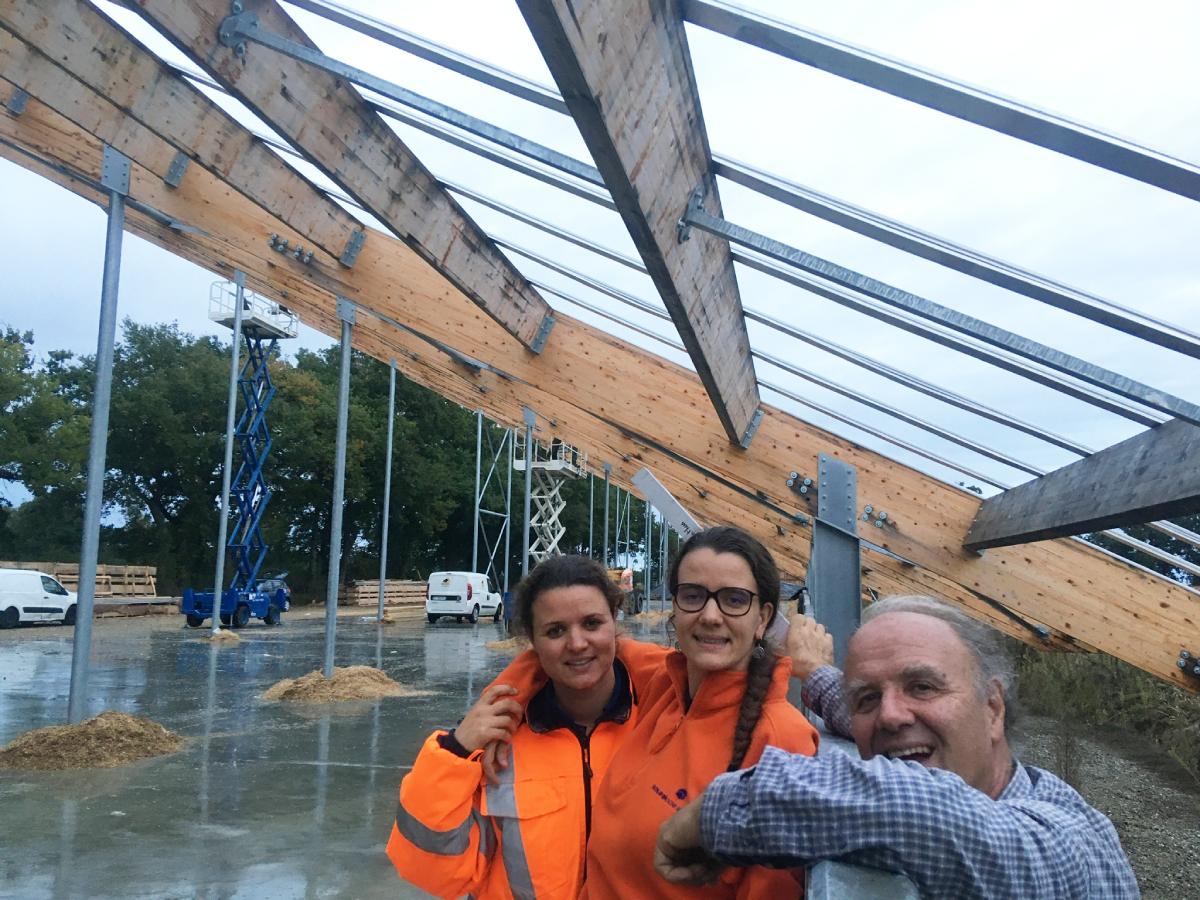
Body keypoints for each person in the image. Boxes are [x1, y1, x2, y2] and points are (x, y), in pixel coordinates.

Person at [654, 595, 1140, 899]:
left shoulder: (1072, 841)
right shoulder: (922, 736)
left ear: (993, 708)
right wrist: (815, 673)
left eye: (923, 687)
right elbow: (861, 714)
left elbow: (926, 812)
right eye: (868, 697)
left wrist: (716, 810)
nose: (890, 715)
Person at [386, 554, 663, 899]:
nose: (577, 643)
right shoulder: (496, 744)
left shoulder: (662, 724)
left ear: (615, 621)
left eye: (592, 623)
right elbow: (433, 870)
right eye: (555, 631)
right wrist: (455, 751)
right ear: (532, 639)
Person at [577, 526, 819, 898]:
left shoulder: (781, 740)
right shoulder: (665, 683)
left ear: (762, 619)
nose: (709, 615)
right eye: (693, 596)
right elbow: (575, 651)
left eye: (734, 600)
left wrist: (816, 671)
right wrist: (508, 699)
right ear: (675, 607)